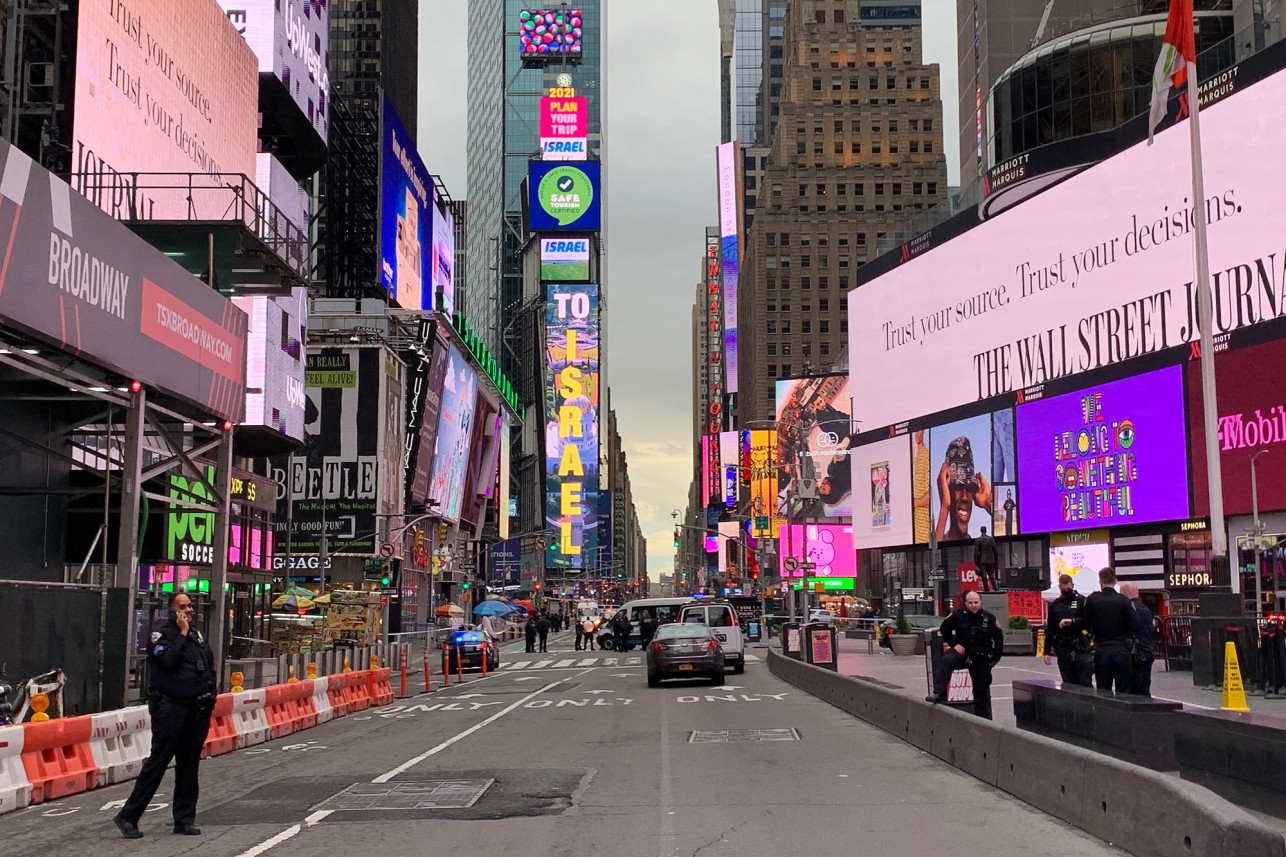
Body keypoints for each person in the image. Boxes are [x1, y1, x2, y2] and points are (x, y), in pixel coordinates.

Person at [113, 592, 216, 839]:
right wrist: (181, 633)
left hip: (196, 709)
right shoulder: (161, 633)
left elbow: (207, 665)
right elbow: (168, 662)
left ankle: (184, 819)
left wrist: (211, 696)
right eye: (183, 606)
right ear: (171, 609)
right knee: (158, 763)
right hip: (171, 709)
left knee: (189, 766)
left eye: (190, 605)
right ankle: (128, 816)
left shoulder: (197, 634)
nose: (189, 610)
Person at [926, 590, 1004, 719]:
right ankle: (939, 693)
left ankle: (983, 721)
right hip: (962, 654)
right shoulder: (958, 615)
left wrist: (994, 659)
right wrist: (954, 644)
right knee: (947, 660)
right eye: (970, 603)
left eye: (976, 602)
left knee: (981, 691)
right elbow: (944, 628)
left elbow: (999, 639)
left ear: (980, 602)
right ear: (965, 603)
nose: (973, 605)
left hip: (980, 657)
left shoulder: (988, 618)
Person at [1082, 567, 1141, 693]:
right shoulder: (1123, 600)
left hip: (1101, 649)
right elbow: (1135, 623)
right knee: (1124, 691)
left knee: (1103, 690)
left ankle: (1105, 712)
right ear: (1115, 581)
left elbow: (1084, 624)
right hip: (1121, 649)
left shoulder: (1093, 599)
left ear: (1100, 582)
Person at [935, 436, 992, 542]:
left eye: (970, 488)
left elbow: (1017, 527)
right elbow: (932, 556)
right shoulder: (941, 540)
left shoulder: (980, 545)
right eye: (958, 487)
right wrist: (944, 507)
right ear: (947, 490)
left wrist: (987, 503)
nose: (965, 497)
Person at [1044, 573, 1093, 687]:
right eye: (1064, 589)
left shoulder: (1082, 601)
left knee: (1084, 681)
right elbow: (1050, 628)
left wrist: (1072, 621)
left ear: (1073, 585)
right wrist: (1046, 652)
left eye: (1069, 589)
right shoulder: (1055, 604)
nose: (1067, 591)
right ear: (1059, 587)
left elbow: (1088, 622)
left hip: (1080, 647)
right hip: (1063, 648)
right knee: (1068, 683)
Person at [1121, 583, 1154, 696]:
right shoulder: (1146, 610)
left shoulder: (1128, 609)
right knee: (1145, 687)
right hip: (1147, 651)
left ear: (1124, 593)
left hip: (1134, 653)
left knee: (1132, 689)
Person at [912, 431, 931, 544]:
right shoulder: (913, 458)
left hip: (922, 527)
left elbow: (929, 496)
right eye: (915, 431)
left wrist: (911, 503)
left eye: (919, 430)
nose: (916, 434)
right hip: (911, 530)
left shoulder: (926, 456)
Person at [973, 525, 999, 592]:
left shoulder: (978, 540)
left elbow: (976, 552)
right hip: (990, 559)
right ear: (986, 530)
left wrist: (976, 561)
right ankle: (995, 588)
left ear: (980, 531)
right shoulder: (991, 539)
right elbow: (995, 550)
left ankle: (986, 589)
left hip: (982, 560)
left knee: (984, 575)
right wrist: (996, 559)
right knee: (991, 574)